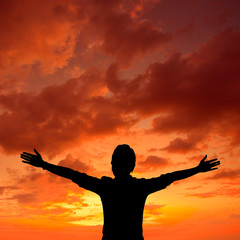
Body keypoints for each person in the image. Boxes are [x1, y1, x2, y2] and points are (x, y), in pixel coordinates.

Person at [21, 144, 220, 240]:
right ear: (132, 166)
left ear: (113, 165)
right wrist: (196, 169)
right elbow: (170, 177)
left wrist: (44, 165)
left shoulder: (106, 187)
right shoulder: (139, 187)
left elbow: (73, 175)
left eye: (116, 161)